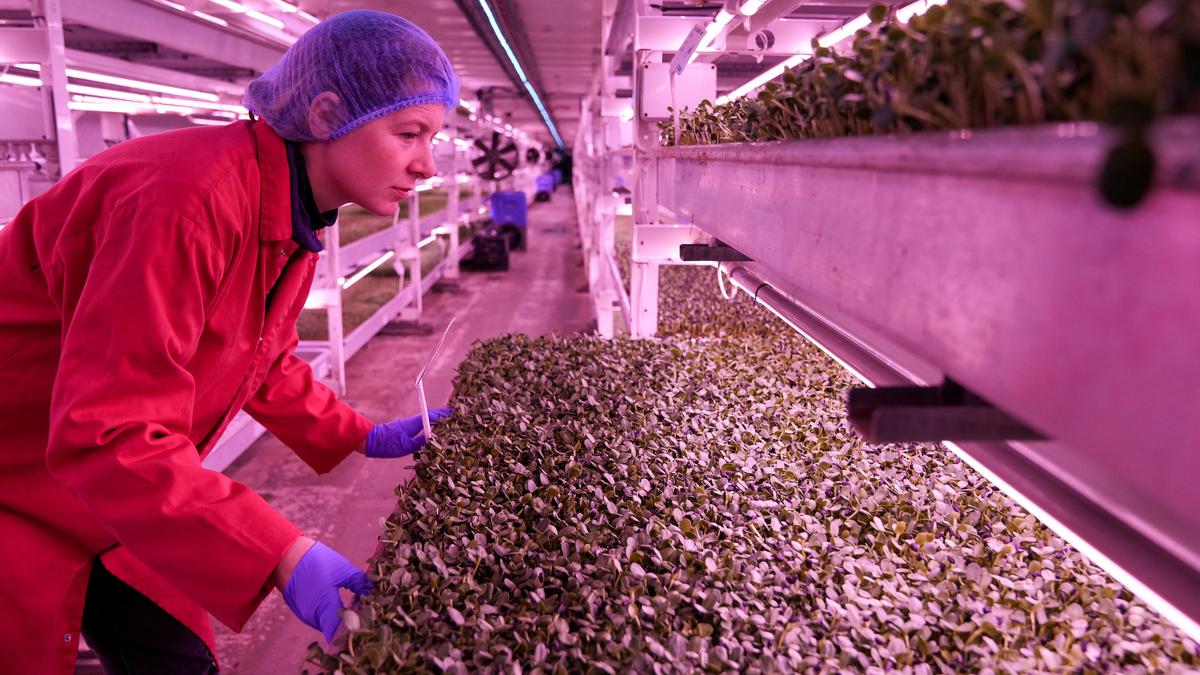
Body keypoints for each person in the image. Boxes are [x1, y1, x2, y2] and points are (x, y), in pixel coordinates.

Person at [0, 10, 460, 673]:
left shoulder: (287, 213)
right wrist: (281, 551)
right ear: (328, 114)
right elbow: (103, 431)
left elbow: (257, 358)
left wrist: (360, 433)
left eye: (433, 139)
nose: (426, 165)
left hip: (103, 490)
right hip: (22, 478)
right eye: (409, 133)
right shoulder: (186, 201)